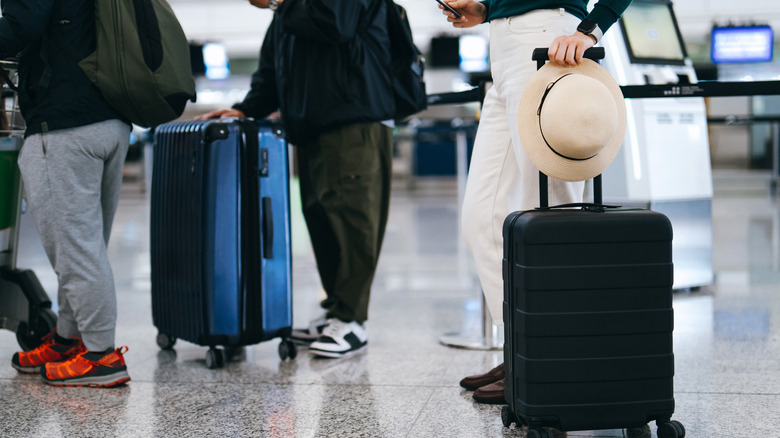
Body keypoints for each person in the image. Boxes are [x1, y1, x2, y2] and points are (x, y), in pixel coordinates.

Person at [439, 0, 632, 403]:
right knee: (482, 218)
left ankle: (553, 361)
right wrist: (484, 8)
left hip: (549, 41)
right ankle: (524, 351)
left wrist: (591, 29)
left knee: (550, 221)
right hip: (503, 49)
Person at [196, 0, 397, 358]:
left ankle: (351, 320)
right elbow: (275, 67)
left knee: (352, 218)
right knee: (321, 214)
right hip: (310, 125)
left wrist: (278, 2)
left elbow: (336, 24)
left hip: (354, 118)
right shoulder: (291, 8)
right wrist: (248, 108)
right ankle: (336, 309)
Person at [1, 0, 131, 386]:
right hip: (111, 120)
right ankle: (68, 340)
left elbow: (19, 26)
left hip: (65, 127)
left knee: (76, 250)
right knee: (85, 245)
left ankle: (101, 355)